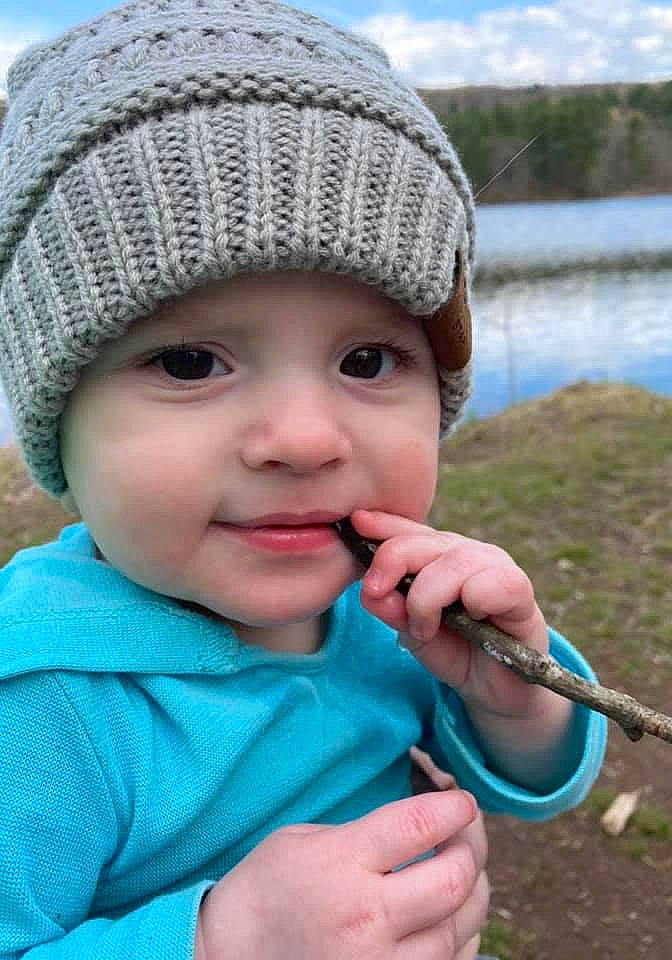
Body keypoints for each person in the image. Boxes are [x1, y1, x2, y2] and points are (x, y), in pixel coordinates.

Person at [0, 0, 607, 956]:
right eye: (191, 363)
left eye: (368, 362)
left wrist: (516, 702)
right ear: (57, 418)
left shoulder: (391, 611)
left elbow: (525, 783)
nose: (304, 440)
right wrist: (219, 944)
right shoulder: (40, 699)